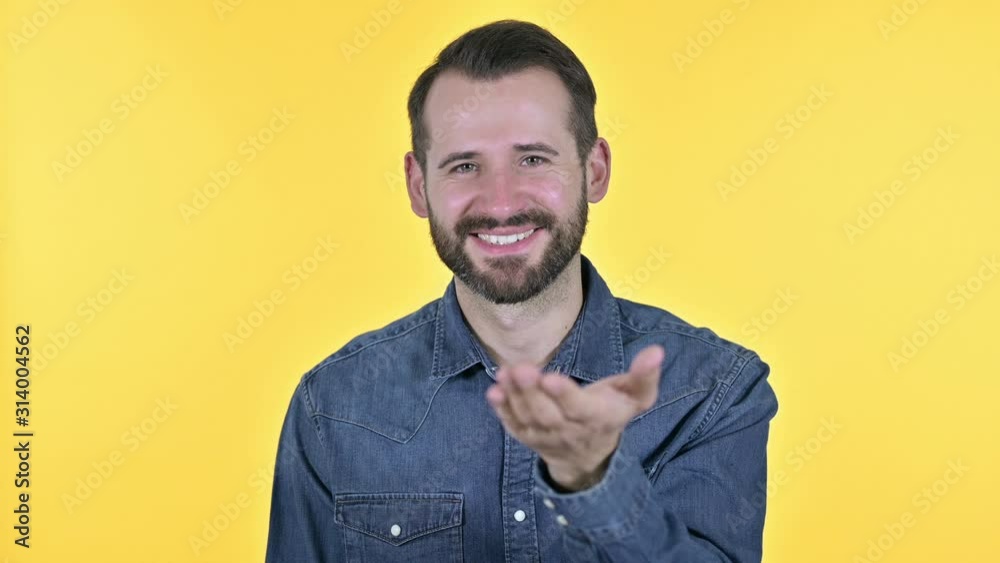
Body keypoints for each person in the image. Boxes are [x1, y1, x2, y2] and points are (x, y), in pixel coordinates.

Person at [265, 19, 778, 562]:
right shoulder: (335, 406)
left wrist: (596, 483)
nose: (501, 202)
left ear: (594, 169)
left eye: (533, 159)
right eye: (464, 165)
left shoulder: (713, 392)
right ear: (419, 187)